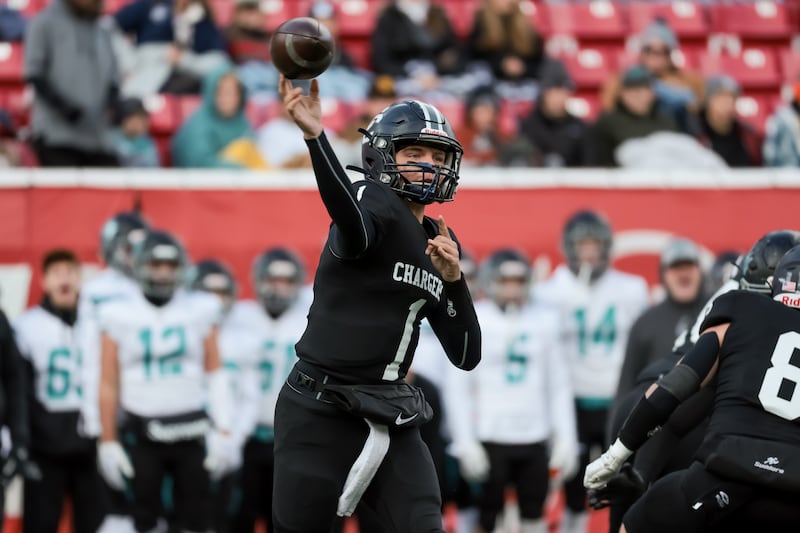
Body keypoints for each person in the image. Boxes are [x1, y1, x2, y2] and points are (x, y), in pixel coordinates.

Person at [272, 75, 482, 532]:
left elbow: (466, 355)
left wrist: (455, 282)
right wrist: (315, 137)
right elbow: (352, 222)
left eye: (437, 156)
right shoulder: (371, 198)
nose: (429, 165)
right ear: (383, 156)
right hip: (319, 411)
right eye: (414, 154)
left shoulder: (439, 239)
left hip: (392, 412)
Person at [585, 243, 800, 533]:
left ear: (773, 282)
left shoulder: (741, 306)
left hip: (725, 470)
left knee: (641, 518)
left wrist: (617, 455)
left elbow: (678, 385)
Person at [97, 230, 235, 532]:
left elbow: (216, 373)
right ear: (140, 265)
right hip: (142, 431)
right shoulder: (118, 312)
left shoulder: (199, 308)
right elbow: (108, 382)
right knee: (143, 519)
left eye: (170, 265)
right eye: (156, 264)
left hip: (192, 429)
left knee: (196, 519)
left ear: (181, 268)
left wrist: (224, 431)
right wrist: (107, 440)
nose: (162, 272)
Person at [533, 210, 649, 533]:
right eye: (582, 244)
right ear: (568, 247)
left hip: (616, 399)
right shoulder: (549, 292)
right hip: (572, 402)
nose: (588, 252)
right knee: (573, 483)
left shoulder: (631, 288)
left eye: (594, 244)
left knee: (623, 480)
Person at [447, 249, 577, 533]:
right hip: (491, 436)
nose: (512, 288)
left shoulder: (544, 320)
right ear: (491, 281)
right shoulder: (476, 317)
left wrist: (566, 437)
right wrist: (465, 441)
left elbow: (558, 385)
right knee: (486, 517)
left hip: (534, 435)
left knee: (534, 515)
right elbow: (457, 388)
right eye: (505, 280)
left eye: (518, 281)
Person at [14, 249, 106, 532]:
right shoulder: (27, 326)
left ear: (80, 278)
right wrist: (28, 438)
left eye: (70, 271)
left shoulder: (99, 322)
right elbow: (20, 388)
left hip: (92, 441)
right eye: (56, 273)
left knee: (95, 523)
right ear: (43, 281)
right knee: (41, 523)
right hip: (46, 442)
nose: (64, 278)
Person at [233, 248, 310, 533]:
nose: (279, 288)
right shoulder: (240, 316)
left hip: (293, 440)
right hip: (248, 437)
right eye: (273, 279)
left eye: (287, 281)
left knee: (287, 520)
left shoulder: (307, 318)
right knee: (240, 515)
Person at [187, 258, 260, 533]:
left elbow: (249, 397)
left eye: (221, 293)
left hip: (229, 443)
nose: (215, 302)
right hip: (186, 441)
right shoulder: (181, 333)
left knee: (227, 520)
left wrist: (232, 439)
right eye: (208, 293)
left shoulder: (244, 340)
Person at [24, 0, 120, 166]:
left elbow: (113, 76)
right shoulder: (44, 23)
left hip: (99, 138)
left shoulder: (103, 29)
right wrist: (62, 106)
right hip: (56, 137)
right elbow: (34, 73)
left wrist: (112, 102)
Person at [615, 238, 706, 399]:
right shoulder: (645, 323)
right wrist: (617, 422)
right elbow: (627, 383)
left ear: (700, 271)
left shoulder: (716, 311)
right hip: (658, 418)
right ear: (663, 274)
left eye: (689, 265)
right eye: (676, 267)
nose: (683, 273)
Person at [171, 66, 262, 169]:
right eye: (222, 92)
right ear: (211, 93)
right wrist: (240, 170)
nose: (228, 98)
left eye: (233, 92)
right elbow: (200, 164)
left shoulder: (243, 122)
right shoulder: (198, 125)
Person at [593, 65, 679, 167]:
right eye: (631, 90)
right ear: (621, 94)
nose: (637, 95)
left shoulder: (667, 120)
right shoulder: (608, 123)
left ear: (653, 93)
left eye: (642, 89)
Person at [519, 59, 592, 167]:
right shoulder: (528, 127)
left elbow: (589, 166)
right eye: (554, 92)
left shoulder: (579, 128)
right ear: (543, 94)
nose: (560, 98)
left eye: (564, 92)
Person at [697, 75, 761, 167]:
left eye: (732, 98)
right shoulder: (696, 136)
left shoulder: (749, 137)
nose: (728, 103)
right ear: (708, 100)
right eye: (721, 97)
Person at [112, 97, 161, 168]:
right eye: (132, 119)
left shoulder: (149, 144)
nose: (136, 124)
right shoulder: (113, 145)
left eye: (141, 119)